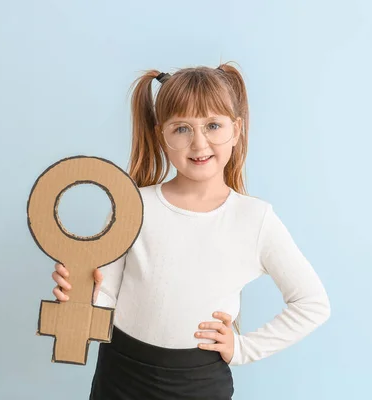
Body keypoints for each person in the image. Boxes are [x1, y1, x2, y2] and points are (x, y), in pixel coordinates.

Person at [50, 63, 331, 399]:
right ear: (161, 135)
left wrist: (242, 349)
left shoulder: (255, 219)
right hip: (120, 374)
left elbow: (312, 303)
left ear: (237, 130)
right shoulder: (134, 205)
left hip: (198, 384)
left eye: (213, 125)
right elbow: (107, 296)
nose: (199, 143)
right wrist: (81, 294)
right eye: (182, 128)